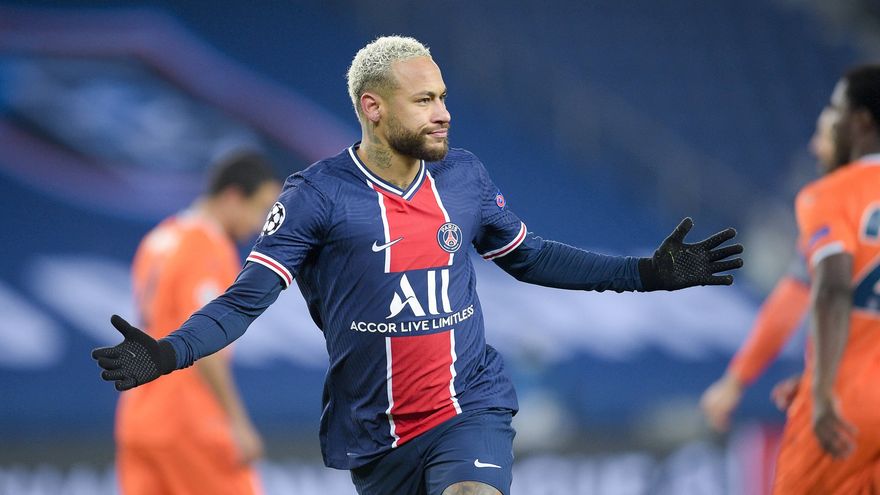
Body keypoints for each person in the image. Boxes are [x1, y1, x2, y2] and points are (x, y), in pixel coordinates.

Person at [92, 36, 743, 495]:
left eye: (444, 96)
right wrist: (170, 352)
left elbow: (531, 256)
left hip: (469, 405)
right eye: (424, 100)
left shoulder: (464, 177)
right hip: (378, 434)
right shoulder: (315, 197)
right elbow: (244, 300)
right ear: (373, 108)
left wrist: (645, 273)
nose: (443, 113)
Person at [115, 151, 280, 495]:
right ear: (233, 197)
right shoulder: (207, 248)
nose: (260, 224)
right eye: (261, 209)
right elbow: (206, 345)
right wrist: (237, 422)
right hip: (188, 419)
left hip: (139, 414)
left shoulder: (161, 238)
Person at [771, 64, 880, 494]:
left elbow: (834, 290)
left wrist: (822, 390)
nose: (830, 119)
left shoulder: (831, 193)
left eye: (836, 108)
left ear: (861, 121)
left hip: (848, 402)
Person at [700, 107, 844, 432]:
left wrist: (735, 381)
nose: (814, 146)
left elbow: (792, 298)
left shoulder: (832, 205)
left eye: (825, 136)